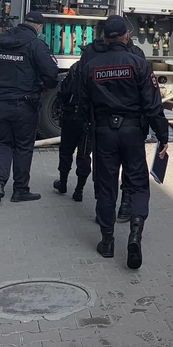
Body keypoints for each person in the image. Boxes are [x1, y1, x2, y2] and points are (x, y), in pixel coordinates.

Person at [82, 16, 169, 268]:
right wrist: (163, 136)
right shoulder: (139, 64)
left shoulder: (92, 66)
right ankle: (135, 234)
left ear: (105, 38)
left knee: (106, 185)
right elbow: (153, 106)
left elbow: (82, 103)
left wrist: (91, 130)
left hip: (103, 134)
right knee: (138, 184)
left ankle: (107, 242)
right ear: (126, 37)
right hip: (133, 133)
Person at [0, 10, 58, 204]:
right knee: (23, 147)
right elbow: (51, 75)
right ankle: (20, 190)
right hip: (24, 104)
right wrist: (43, 86)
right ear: (38, 27)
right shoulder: (36, 45)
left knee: (2, 143)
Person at [72, 33, 144, 222]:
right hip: (132, 125)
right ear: (126, 36)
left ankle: (103, 214)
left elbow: (82, 88)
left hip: (100, 124)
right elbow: (147, 95)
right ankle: (126, 205)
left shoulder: (90, 54)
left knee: (103, 170)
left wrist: (85, 119)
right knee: (131, 167)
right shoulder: (136, 55)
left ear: (104, 38)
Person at [53, 61, 91, 201]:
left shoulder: (77, 67)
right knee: (84, 154)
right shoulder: (98, 67)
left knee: (66, 151)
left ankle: (63, 183)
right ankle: (79, 190)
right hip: (89, 119)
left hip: (72, 116)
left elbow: (64, 91)